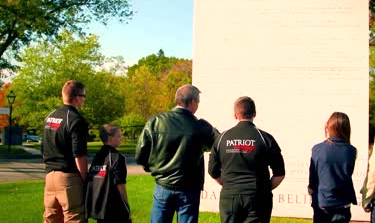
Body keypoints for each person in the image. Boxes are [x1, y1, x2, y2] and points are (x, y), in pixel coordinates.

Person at [135, 84, 216, 223]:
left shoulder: (156, 122)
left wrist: (153, 168)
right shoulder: (200, 126)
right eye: (198, 102)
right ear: (192, 102)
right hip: (189, 189)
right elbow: (218, 144)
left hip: (162, 185)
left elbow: (140, 154)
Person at [208, 96, 285, 223]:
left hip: (230, 197)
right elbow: (280, 173)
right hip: (258, 197)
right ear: (254, 114)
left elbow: (212, 171)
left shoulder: (222, 138)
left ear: (235, 115)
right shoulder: (265, 138)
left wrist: (228, 184)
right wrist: (264, 188)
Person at [42, 80, 89, 223]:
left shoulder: (50, 116)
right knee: (74, 217)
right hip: (69, 178)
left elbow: (44, 147)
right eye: (84, 96)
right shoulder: (76, 120)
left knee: (51, 218)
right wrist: (85, 179)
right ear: (77, 97)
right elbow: (79, 155)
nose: (84, 100)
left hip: (49, 176)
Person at [308, 112, 357, 223]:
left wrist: (311, 189)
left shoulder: (318, 149)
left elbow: (313, 176)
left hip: (323, 202)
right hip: (343, 203)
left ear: (328, 126)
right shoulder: (352, 151)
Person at [86, 125, 132, 223]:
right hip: (114, 209)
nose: (121, 138)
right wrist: (126, 206)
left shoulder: (98, 156)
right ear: (110, 138)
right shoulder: (117, 158)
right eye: (119, 136)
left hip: (100, 209)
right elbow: (120, 185)